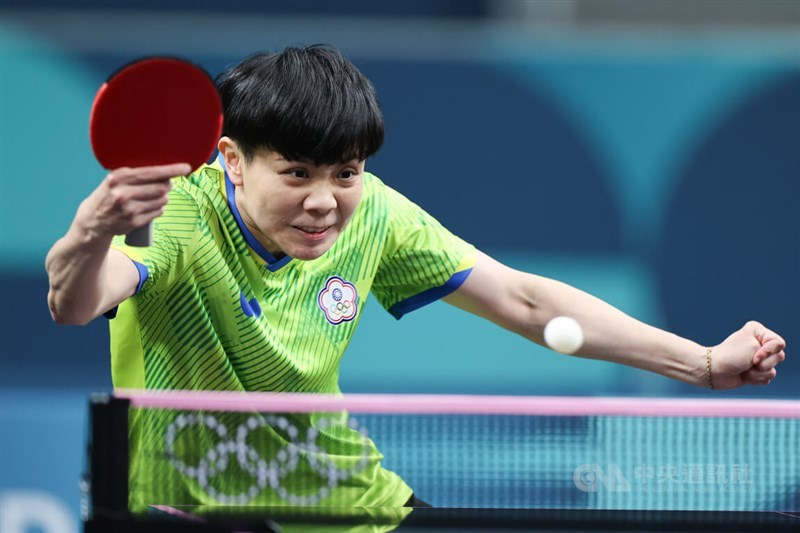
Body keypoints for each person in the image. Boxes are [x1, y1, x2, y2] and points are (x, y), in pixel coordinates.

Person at [46, 45, 786, 511]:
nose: (324, 200)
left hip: (340, 502)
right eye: (297, 172)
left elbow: (526, 302)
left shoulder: (375, 217)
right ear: (234, 161)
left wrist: (701, 362)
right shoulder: (182, 213)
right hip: (182, 512)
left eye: (346, 172)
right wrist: (90, 233)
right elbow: (77, 300)